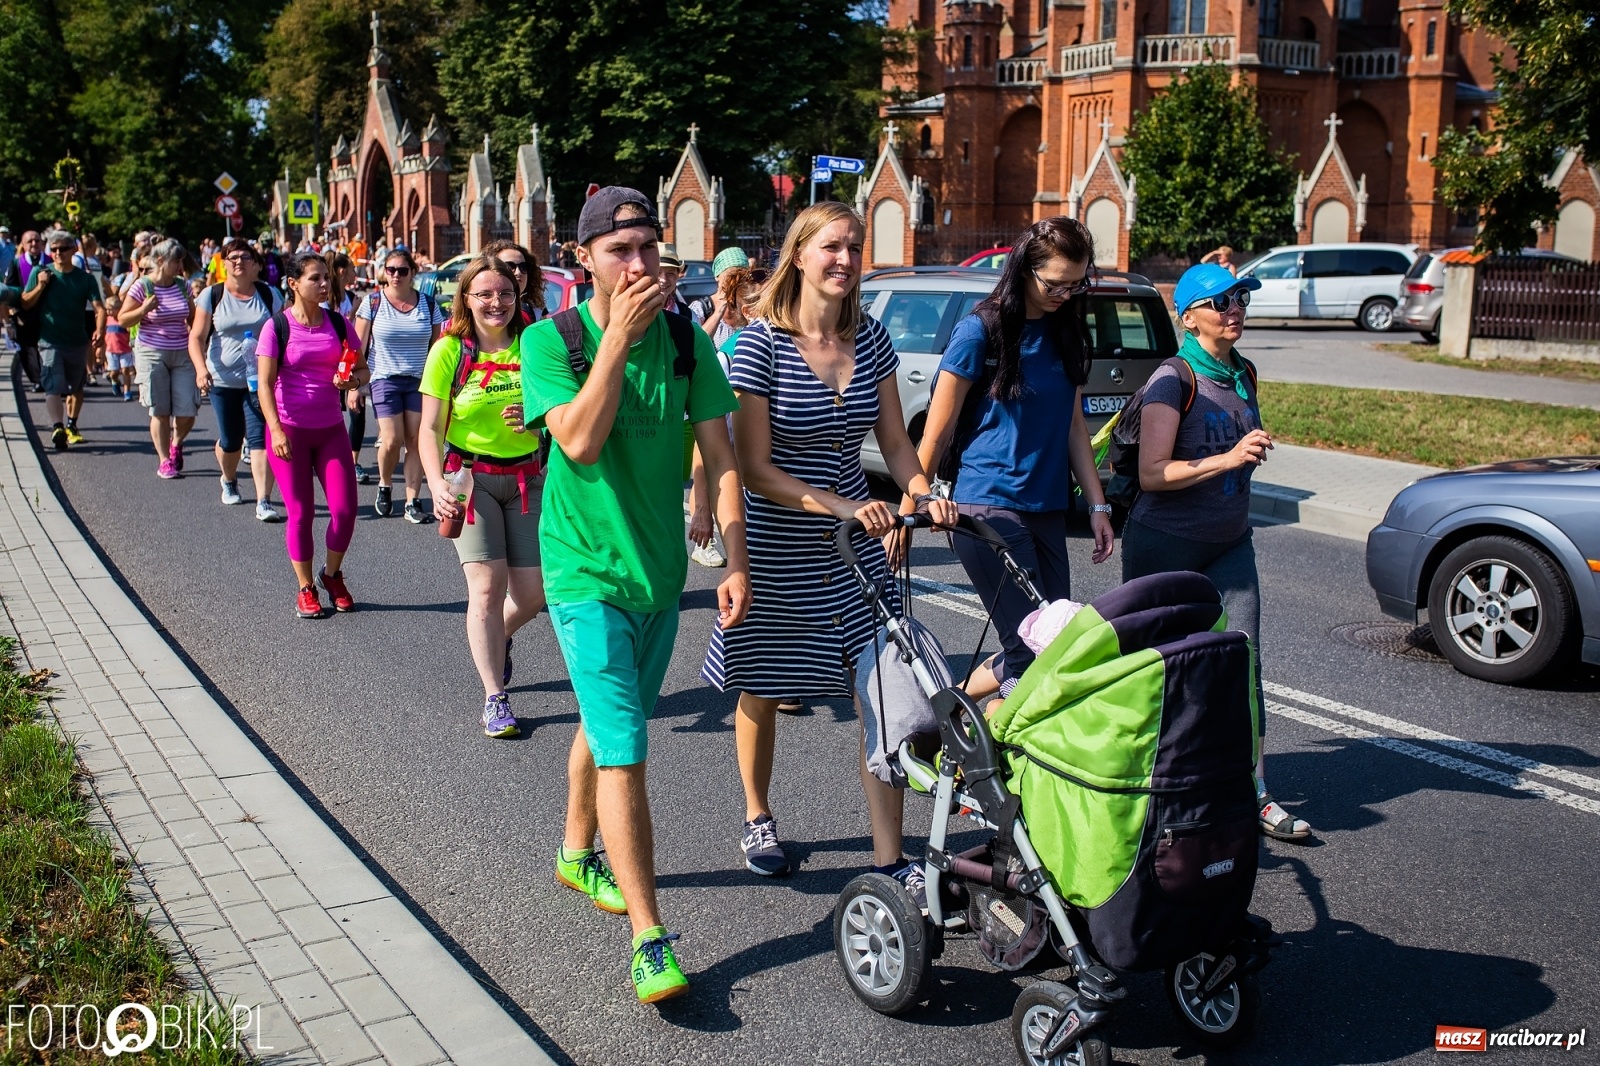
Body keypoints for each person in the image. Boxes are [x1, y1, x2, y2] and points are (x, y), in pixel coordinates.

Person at [521, 187, 749, 1004]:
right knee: (626, 746)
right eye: (621, 252)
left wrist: (733, 560)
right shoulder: (552, 341)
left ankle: (574, 852)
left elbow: (721, 459)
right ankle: (650, 937)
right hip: (582, 572)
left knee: (608, 719)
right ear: (583, 259)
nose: (641, 265)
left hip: (658, 575)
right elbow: (577, 440)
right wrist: (615, 339)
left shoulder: (690, 344)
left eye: (649, 248)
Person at [701, 201, 957, 888]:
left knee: (884, 693)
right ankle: (758, 814)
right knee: (763, 686)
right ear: (800, 254)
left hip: (857, 552)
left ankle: (888, 859)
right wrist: (847, 505)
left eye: (854, 247)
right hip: (781, 544)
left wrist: (923, 491)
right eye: (831, 247)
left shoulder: (870, 338)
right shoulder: (761, 344)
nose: (845, 259)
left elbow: (897, 443)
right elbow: (753, 466)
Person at [1122, 262, 1312, 842]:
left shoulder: (1243, 371)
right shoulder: (1171, 380)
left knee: (1244, 664)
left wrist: (1244, 450)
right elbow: (1153, 475)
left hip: (1231, 542)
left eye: (1240, 300)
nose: (1235, 309)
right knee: (1158, 672)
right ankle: (1144, 790)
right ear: (1189, 316)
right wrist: (1227, 459)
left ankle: (1253, 792)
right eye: (1221, 301)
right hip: (1164, 546)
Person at [900, 217, 1115, 700]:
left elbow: (1073, 425)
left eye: (1076, 283)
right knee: (1032, 646)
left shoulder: (1069, 333)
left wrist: (1098, 506)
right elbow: (936, 433)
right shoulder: (981, 331)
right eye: (1055, 283)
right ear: (1024, 270)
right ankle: (959, 735)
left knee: (1059, 645)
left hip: (1047, 507)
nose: (1065, 293)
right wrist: (909, 505)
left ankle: (949, 721)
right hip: (987, 503)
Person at [418, 257, 547, 737]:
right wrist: (434, 484)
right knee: (488, 590)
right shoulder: (450, 349)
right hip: (470, 480)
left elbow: (562, 403)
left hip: (528, 481)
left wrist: (534, 414)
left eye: (506, 294)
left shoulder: (535, 343)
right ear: (467, 299)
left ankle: (496, 637)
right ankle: (496, 698)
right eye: (485, 294)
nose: (497, 303)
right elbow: (429, 428)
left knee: (532, 596)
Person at [255, 252, 366, 618]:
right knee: (301, 513)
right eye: (314, 278)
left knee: (346, 510)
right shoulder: (277, 327)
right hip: (290, 433)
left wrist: (352, 382)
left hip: (331, 430)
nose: (323, 284)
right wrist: (275, 430)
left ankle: (331, 575)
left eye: (325, 278)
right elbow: (265, 385)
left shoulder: (338, 324)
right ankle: (305, 588)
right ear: (293, 283)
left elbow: (363, 370)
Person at [190, 238, 283, 517]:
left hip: (260, 381)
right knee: (230, 441)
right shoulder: (212, 295)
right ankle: (229, 480)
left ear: (255, 265)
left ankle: (263, 500)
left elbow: (283, 333)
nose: (239, 262)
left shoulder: (269, 295)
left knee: (259, 439)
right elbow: (196, 336)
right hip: (222, 380)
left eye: (245, 257)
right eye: (232, 258)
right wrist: (200, 370)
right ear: (224, 263)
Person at [355, 248, 444, 522]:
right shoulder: (372, 303)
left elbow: (438, 349)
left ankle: (412, 501)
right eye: (390, 269)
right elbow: (357, 349)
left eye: (402, 270)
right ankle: (384, 485)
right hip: (383, 378)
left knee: (417, 441)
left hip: (420, 382)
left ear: (413, 274)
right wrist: (354, 386)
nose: (395, 275)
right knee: (392, 439)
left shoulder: (429, 305)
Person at [120, 238, 199, 478]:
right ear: (162, 261)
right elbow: (123, 319)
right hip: (151, 352)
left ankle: (176, 443)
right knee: (159, 409)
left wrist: (198, 342)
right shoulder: (142, 287)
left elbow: (193, 318)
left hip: (182, 352)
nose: (180, 265)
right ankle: (165, 459)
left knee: (187, 409)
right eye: (176, 261)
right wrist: (143, 309)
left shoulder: (182, 285)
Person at [20, 230, 105, 450]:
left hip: (77, 340)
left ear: (74, 250)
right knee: (52, 385)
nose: (58, 253)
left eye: (63, 249)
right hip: (49, 340)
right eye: (54, 249)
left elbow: (99, 308)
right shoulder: (41, 272)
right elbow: (25, 302)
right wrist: (40, 285)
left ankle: (71, 424)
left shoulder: (85, 278)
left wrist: (100, 330)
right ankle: (58, 427)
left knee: (76, 386)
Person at [484, 239, 546, 325]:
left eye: (523, 267)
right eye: (509, 266)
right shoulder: (485, 307)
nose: (518, 272)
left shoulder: (536, 309)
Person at [657, 244, 693, 317]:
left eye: (670, 273)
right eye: (658, 272)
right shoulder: (635, 312)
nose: (664, 279)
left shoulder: (688, 315)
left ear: (677, 277)